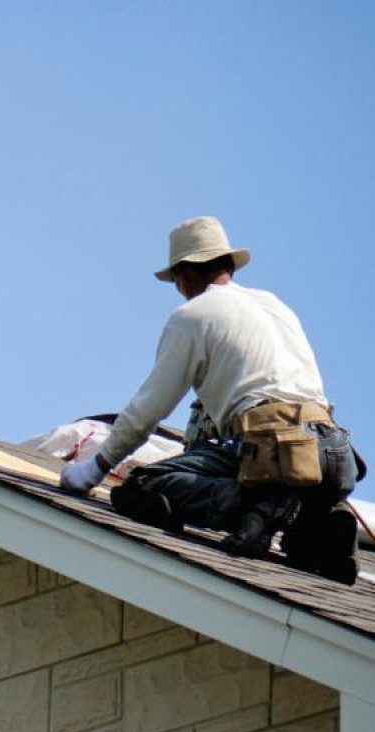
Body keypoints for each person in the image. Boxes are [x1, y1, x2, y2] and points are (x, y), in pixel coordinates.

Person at [60, 216, 362, 584]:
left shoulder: (193, 316)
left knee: (143, 488)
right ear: (227, 263)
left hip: (272, 451)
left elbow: (148, 409)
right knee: (299, 545)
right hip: (333, 453)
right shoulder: (274, 305)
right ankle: (313, 524)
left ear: (186, 274)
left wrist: (95, 468)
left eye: (176, 282)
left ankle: (256, 508)